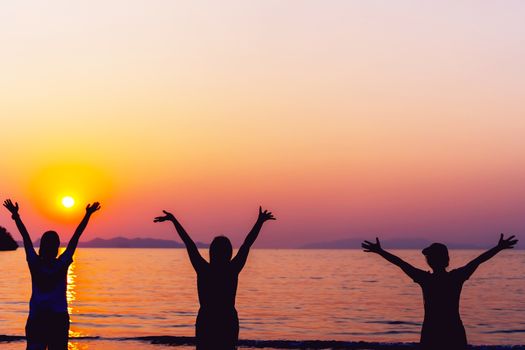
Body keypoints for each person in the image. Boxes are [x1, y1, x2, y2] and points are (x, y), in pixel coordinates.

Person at [361, 234, 518, 350]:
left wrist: (380, 251)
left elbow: (401, 263)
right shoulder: (456, 277)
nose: (427, 259)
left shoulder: (426, 279)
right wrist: (498, 248)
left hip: (432, 331)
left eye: (428, 257)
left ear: (431, 260)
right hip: (453, 330)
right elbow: (478, 260)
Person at [154, 206, 275, 350]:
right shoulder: (232, 269)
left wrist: (174, 220)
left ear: (212, 251)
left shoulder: (204, 269)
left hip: (207, 320)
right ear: (229, 252)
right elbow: (246, 244)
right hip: (227, 320)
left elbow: (189, 244)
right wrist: (259, 222)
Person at [3, 199, 101, 350]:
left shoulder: (35, 262)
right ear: (56, 248)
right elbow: (76, 237)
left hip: (38, 318)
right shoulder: (61, 263)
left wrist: (16, 216)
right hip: (57, 318)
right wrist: (87, 215)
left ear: (42, 246)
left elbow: (26, 238)